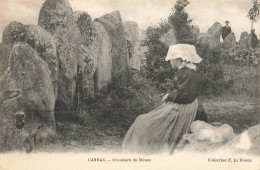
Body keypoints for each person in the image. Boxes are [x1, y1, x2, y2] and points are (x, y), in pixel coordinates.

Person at [122, 44, 206, 154]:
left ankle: (147, 148)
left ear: (178, 59)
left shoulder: (188, 73)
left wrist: (169, 96)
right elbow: (181, 91)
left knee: (144, 121)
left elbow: (185, 95)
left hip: (184, 107)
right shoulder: (185, 71)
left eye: (171, 58)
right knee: (144, 119)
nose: (170, 61)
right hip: (179, 103)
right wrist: (170, 95)